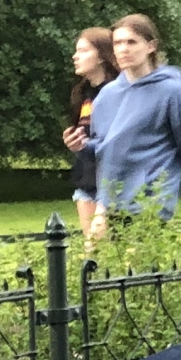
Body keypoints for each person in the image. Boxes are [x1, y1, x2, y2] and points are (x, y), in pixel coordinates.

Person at [89, 13, 181, 236]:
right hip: (110, 206)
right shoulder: (106, 95)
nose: (123, 49)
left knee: (137, 268)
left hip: (150, 204)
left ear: (151, 46)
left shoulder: (171, 92)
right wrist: (82, 146)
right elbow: (107, 151)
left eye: (131, 42)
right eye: (117, 43)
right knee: (97, 268)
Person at [62, 27, 117, 235]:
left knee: (113, 254)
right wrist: (73, 143)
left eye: (83, 51)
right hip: (86, 183)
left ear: (102, 56)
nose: (75, 57)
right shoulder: (83, 94)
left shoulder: (117, 93)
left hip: (113, 186)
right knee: (92, 254)